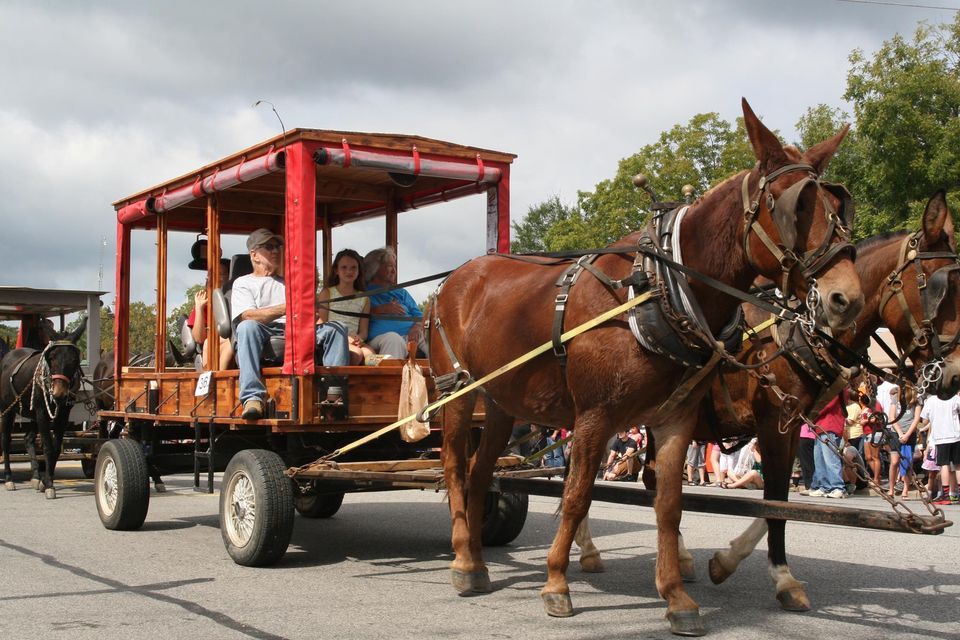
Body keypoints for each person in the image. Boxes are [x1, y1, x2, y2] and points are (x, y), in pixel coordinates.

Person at [233, 228, 349, 419]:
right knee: (246, 327)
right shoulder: (243, 283)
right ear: (254, 255)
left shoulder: (290, 282)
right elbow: (248, 316)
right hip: (264, 332)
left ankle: (333, 396)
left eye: (278, 247)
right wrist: (287, 307)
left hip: (295, 330)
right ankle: (252, 397)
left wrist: (310, 309)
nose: (276, 251)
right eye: (269, 247)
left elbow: (309, 316)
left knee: (336, 329)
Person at [363, 247, 427, 359]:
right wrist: (381, 310)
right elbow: (356, 315)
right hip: (381, 338)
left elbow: (420, 317)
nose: (394, 270)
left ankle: (451, 374)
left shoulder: (401, 292)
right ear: (375, 269)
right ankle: (393, 377)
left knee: (434, 337)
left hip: (411, 335)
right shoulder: (364, 293)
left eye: (394, 266)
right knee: (393, 339)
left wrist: (416, 327)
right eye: (389, 266)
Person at [318, 249, 375, 366]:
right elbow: (322, 322)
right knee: (357, 354)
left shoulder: (364, 299)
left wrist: (359, 339)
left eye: (354, 267)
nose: (349, 271)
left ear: (359, 271)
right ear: (336, 270)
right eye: (344, 267)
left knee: (371, 356)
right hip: (334, 339)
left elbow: (364, 330)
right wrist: (346, 339)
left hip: (355, 340)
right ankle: (342, 382)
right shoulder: (327, 293)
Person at [189, 259, 234, 370]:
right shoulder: (205, 299)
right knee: (218, 342)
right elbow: (199, 338)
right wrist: (199, 308)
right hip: (212, 349)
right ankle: (216, 380)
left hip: (237, 341)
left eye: (220, 274)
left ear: (230, 277)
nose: (214, 278)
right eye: (210, 275)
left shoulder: (240, 296)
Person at [919, 391, 960, 505]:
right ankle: (957, 495)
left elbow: (924, 420)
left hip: (941, 437)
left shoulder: (931, 400)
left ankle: (946, 496)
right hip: (956, 435)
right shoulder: (955, 398)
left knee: (944, 465)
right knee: (958, 466)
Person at [807, 392, 848, 498]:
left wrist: (810, 413)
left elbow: (826, 405)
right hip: (820, 427)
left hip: (830, 426)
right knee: (819, 460)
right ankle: (824, 486)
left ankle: (837, 487)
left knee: (831, 460)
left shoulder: (838, 389)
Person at [888, 387, 920, 500]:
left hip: (909, 433)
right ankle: (891, 488)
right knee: (894, 461)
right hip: (896, 432)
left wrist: (907, 434)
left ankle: (906, 488)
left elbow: (916, 419)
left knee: (907, 461)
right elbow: (891, 416)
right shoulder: (895, 398)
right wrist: (900, 433)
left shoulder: (916, 400)